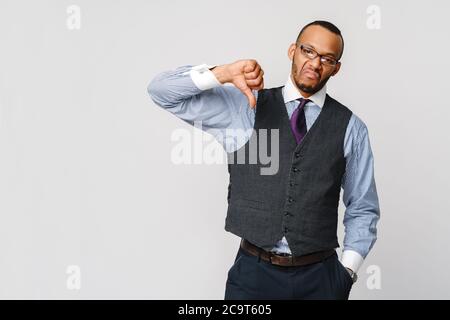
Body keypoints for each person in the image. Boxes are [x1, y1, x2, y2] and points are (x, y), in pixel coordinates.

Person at [147, 20, 380, 300]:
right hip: (253, 276)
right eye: (308, 51)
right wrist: (221, 73)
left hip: (321, 278)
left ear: (336, 68)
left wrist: (346, 274)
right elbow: (161, 92)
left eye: (327, 58)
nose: (315, 63)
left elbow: (363, 207)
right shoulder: (245, 107)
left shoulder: (351, 128)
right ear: (292, 50)